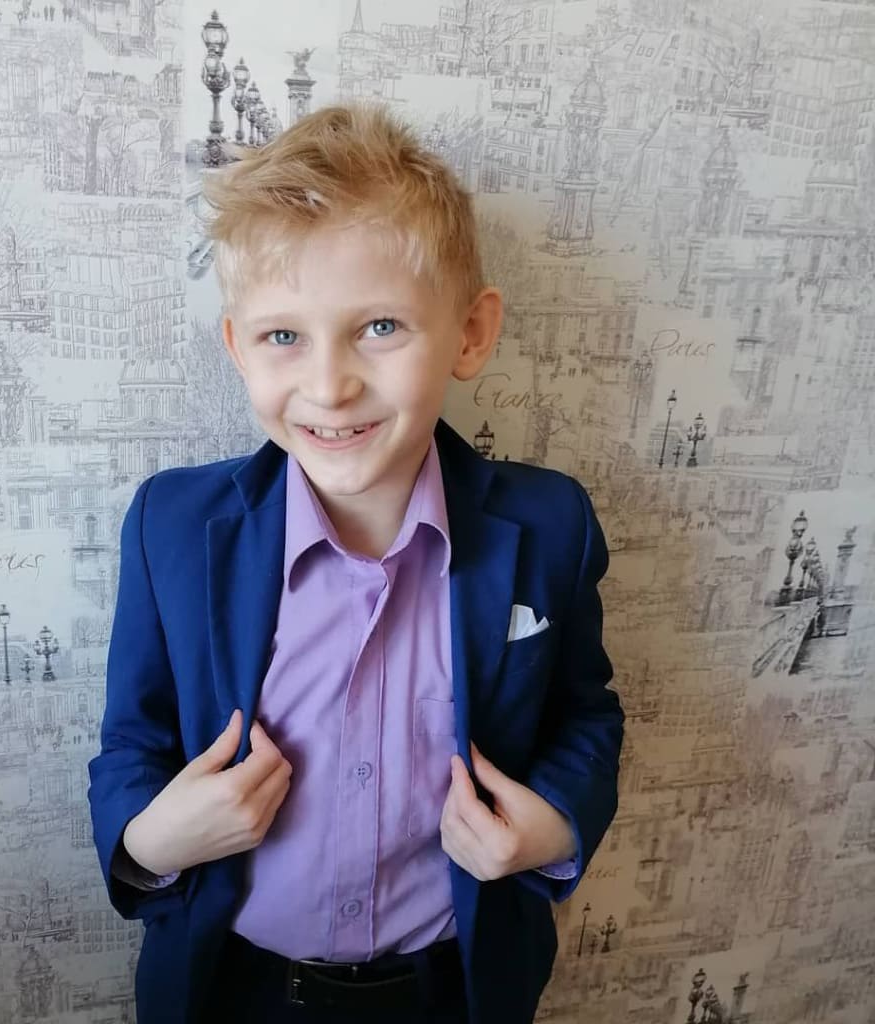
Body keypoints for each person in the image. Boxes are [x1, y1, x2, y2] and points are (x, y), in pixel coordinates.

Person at [88, 103, 624, 1024]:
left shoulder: (551, 524)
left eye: (379, 327)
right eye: (283, 336)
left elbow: (586, 711)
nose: (330, 386)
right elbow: (132, 743)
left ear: (470, 334)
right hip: (233, 991)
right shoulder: (171, 527)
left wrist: (553, 828)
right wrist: (149, 840)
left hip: (453, 992)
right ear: (238, 348)